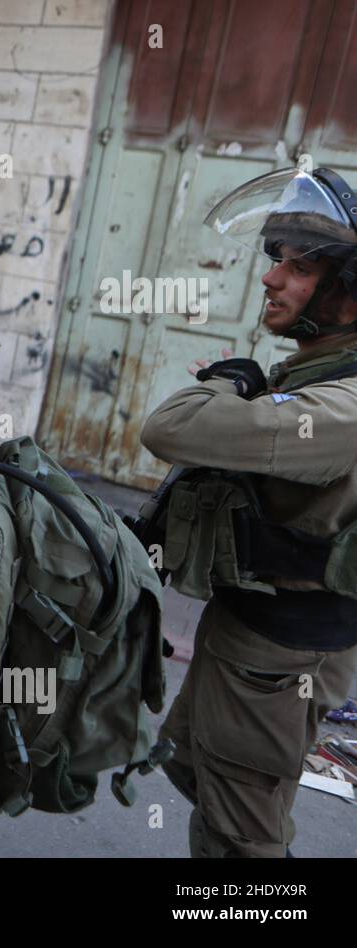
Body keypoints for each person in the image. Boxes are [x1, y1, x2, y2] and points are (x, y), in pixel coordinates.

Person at [141, 166, 357, 858]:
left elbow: (170, 427)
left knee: (242, 841)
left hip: (279, 652)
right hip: (249, 631)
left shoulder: (339, 406)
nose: (271, 279)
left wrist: (227, 379)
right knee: (193, 765)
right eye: (277, 261)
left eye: (298, 268)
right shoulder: (317, 373)